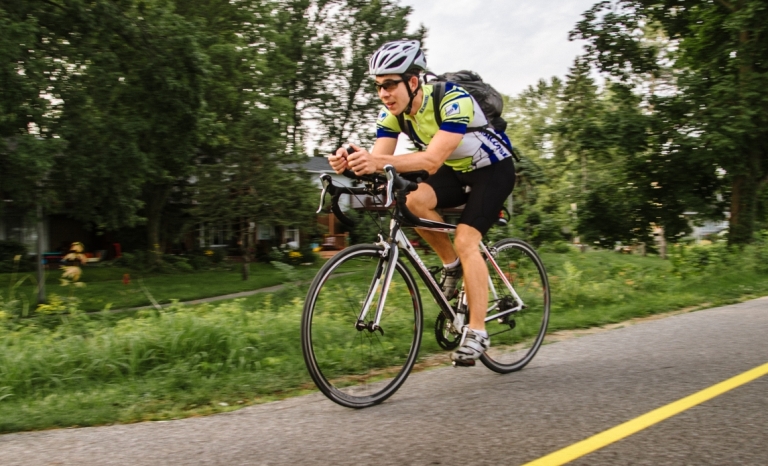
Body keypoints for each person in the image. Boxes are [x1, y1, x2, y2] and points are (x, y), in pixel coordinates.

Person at [327, 40, 516, 364]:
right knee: (413, 201)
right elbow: (382, 162)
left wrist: (374, 161)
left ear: (412, 82)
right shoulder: (393, 116)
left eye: (390, 84)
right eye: (378, 86)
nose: (384, 93)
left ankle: (477, 331)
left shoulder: (452, 98)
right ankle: (451, 267)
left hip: (492, 169)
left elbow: (430, 160)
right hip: (456, 171)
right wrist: (353, 163)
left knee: (467, 238)